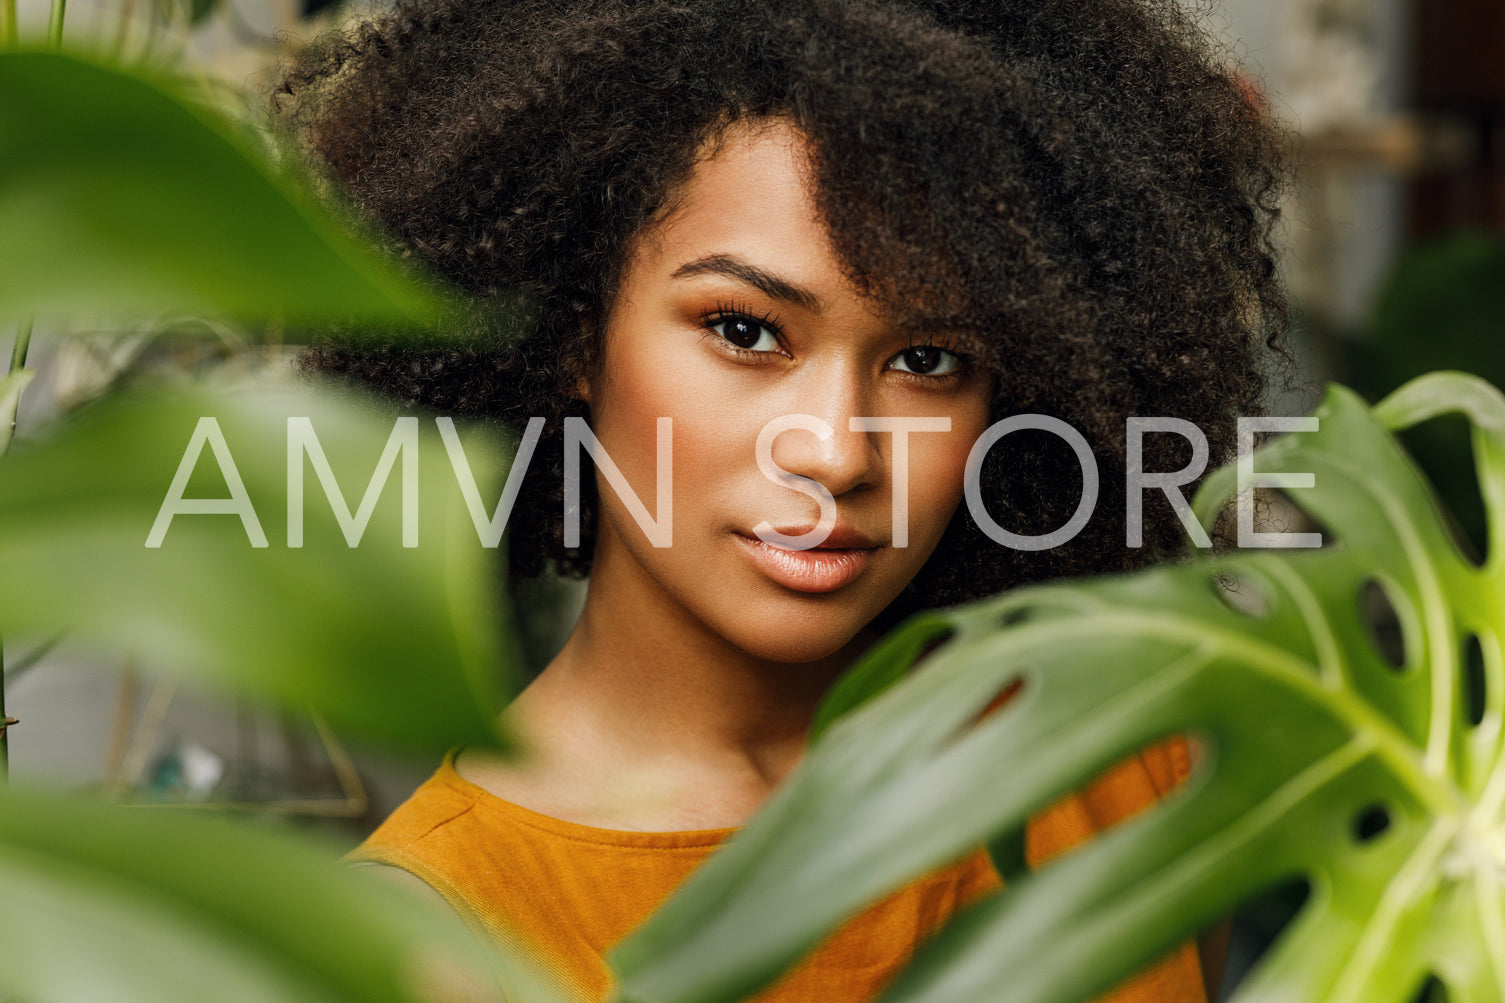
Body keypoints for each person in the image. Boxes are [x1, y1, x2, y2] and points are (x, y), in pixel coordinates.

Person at [273, 0, 1287, 1000]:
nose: (838, 450)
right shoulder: (439, 945)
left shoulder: (1123, 764)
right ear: (573, 336)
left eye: (927, 359)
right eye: (745, 331)